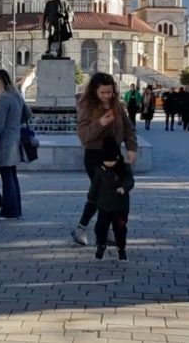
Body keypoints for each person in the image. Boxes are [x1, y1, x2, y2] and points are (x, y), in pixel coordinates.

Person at [72, 72, 138, 246]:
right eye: (102, 92)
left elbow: (128, 128)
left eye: (109, 92)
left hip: (114, 156)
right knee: (101, 193)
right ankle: (81, 228)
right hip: (95, 156)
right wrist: (100, 123)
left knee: (112, 195)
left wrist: (131, 148)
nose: (106, 96)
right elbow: (84, 136)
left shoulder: (117, 104)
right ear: (94, 90)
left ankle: (106, 231)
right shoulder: (86, 105)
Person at [0, 69, 31, 220]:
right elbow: (28, 114)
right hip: (15, 139)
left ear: (0, 80)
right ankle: (16, 210)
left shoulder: (3, 98)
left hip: (5, 143)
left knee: (6, 176)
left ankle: (9, 212)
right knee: (12, 175)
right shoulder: (16, 96)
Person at [91, 138, 135, 262]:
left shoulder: (124, 168)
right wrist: (91, 198)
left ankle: (121, 248)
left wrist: (124, 188)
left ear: (117, 158)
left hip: (120, 206)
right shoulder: (99, 170)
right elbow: (94, 186)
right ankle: (101, 245)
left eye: (112, 161)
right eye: (107, 161)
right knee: (101, 227)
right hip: (104, 206)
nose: (109, 163)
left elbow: (130, 181)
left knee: (120, 229)